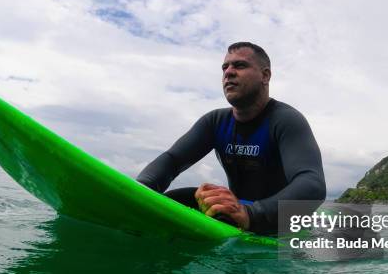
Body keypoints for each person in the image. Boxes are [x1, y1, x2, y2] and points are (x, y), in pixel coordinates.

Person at [137, 42, 326, 235]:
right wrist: (139, 192)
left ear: (265, 75)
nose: (229, 72)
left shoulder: (285, 120)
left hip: (281, 225)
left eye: (240, 65)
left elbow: (312, 184)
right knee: (175, 198)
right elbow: (172, 160)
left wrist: (250, 214)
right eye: (225, 67)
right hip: (235, 214)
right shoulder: (215, 121)